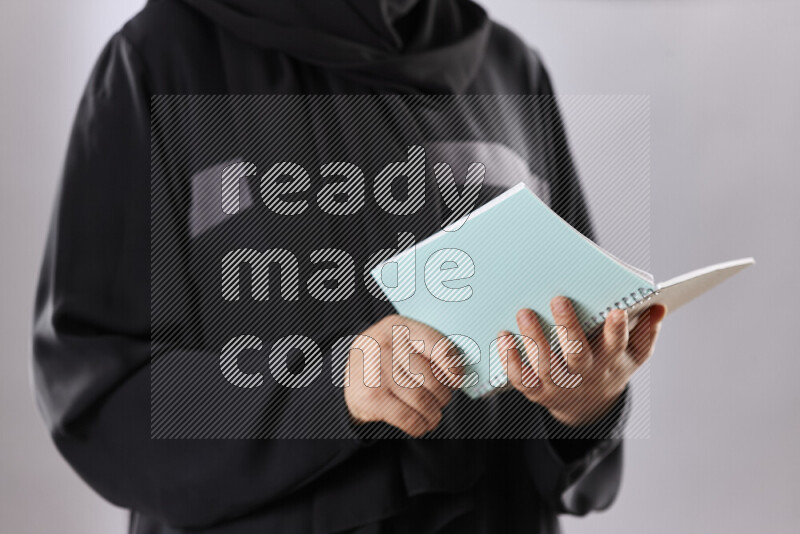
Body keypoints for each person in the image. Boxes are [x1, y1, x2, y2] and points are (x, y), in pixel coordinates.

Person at [32, 0, 667, 532]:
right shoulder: (162, 59)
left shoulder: (509, 68)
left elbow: (570, 337)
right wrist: (336, 386)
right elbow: (98, 388)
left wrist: (586, 405)